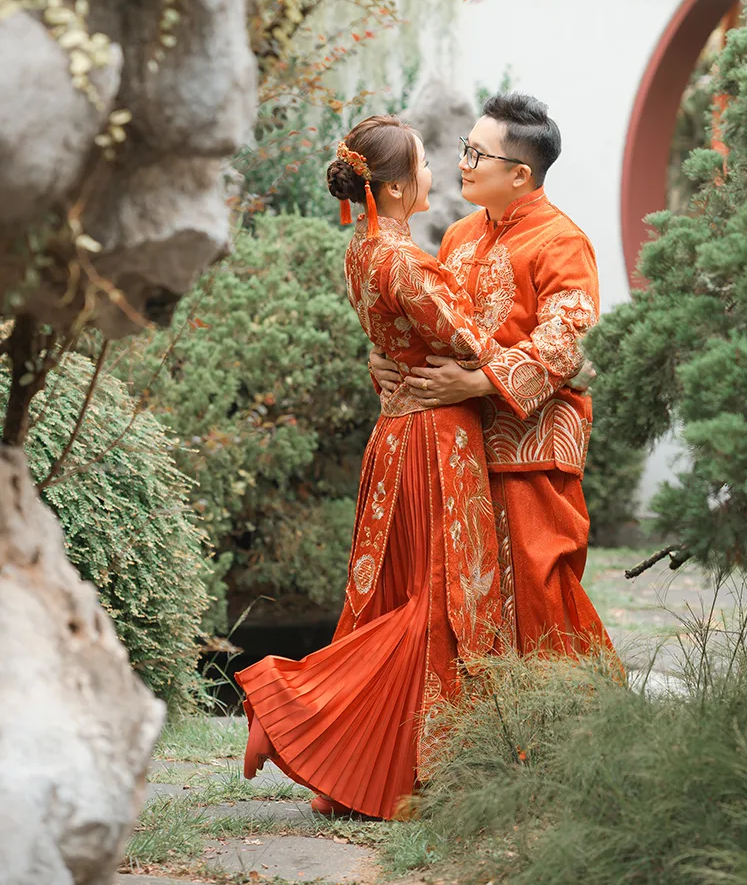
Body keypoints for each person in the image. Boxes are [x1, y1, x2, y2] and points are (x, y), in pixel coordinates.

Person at [237, 116, 502, 821]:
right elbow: (472, 343)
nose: (433, 175)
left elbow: (393, 333)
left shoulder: (361, 252)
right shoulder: (406, 262)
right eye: (421, 165)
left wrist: (391, 361)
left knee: (392, 599)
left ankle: (374, 771)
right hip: (434, 440)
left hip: (394, 435)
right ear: (390, 187)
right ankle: (289, 701)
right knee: (435, 605)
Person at [372, 92, 612, 659]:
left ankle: (569, 728)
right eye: (464, 149)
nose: (462, 163)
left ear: (521, 174)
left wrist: (478, 383)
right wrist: (388, 360)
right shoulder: (459, 236)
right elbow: (431, 325)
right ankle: (480, 737)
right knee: (460, 599)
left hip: (529, 452)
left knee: (539, 593)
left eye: (476, 154)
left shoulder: (563, 241)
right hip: (457, 448)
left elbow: (569, 339)